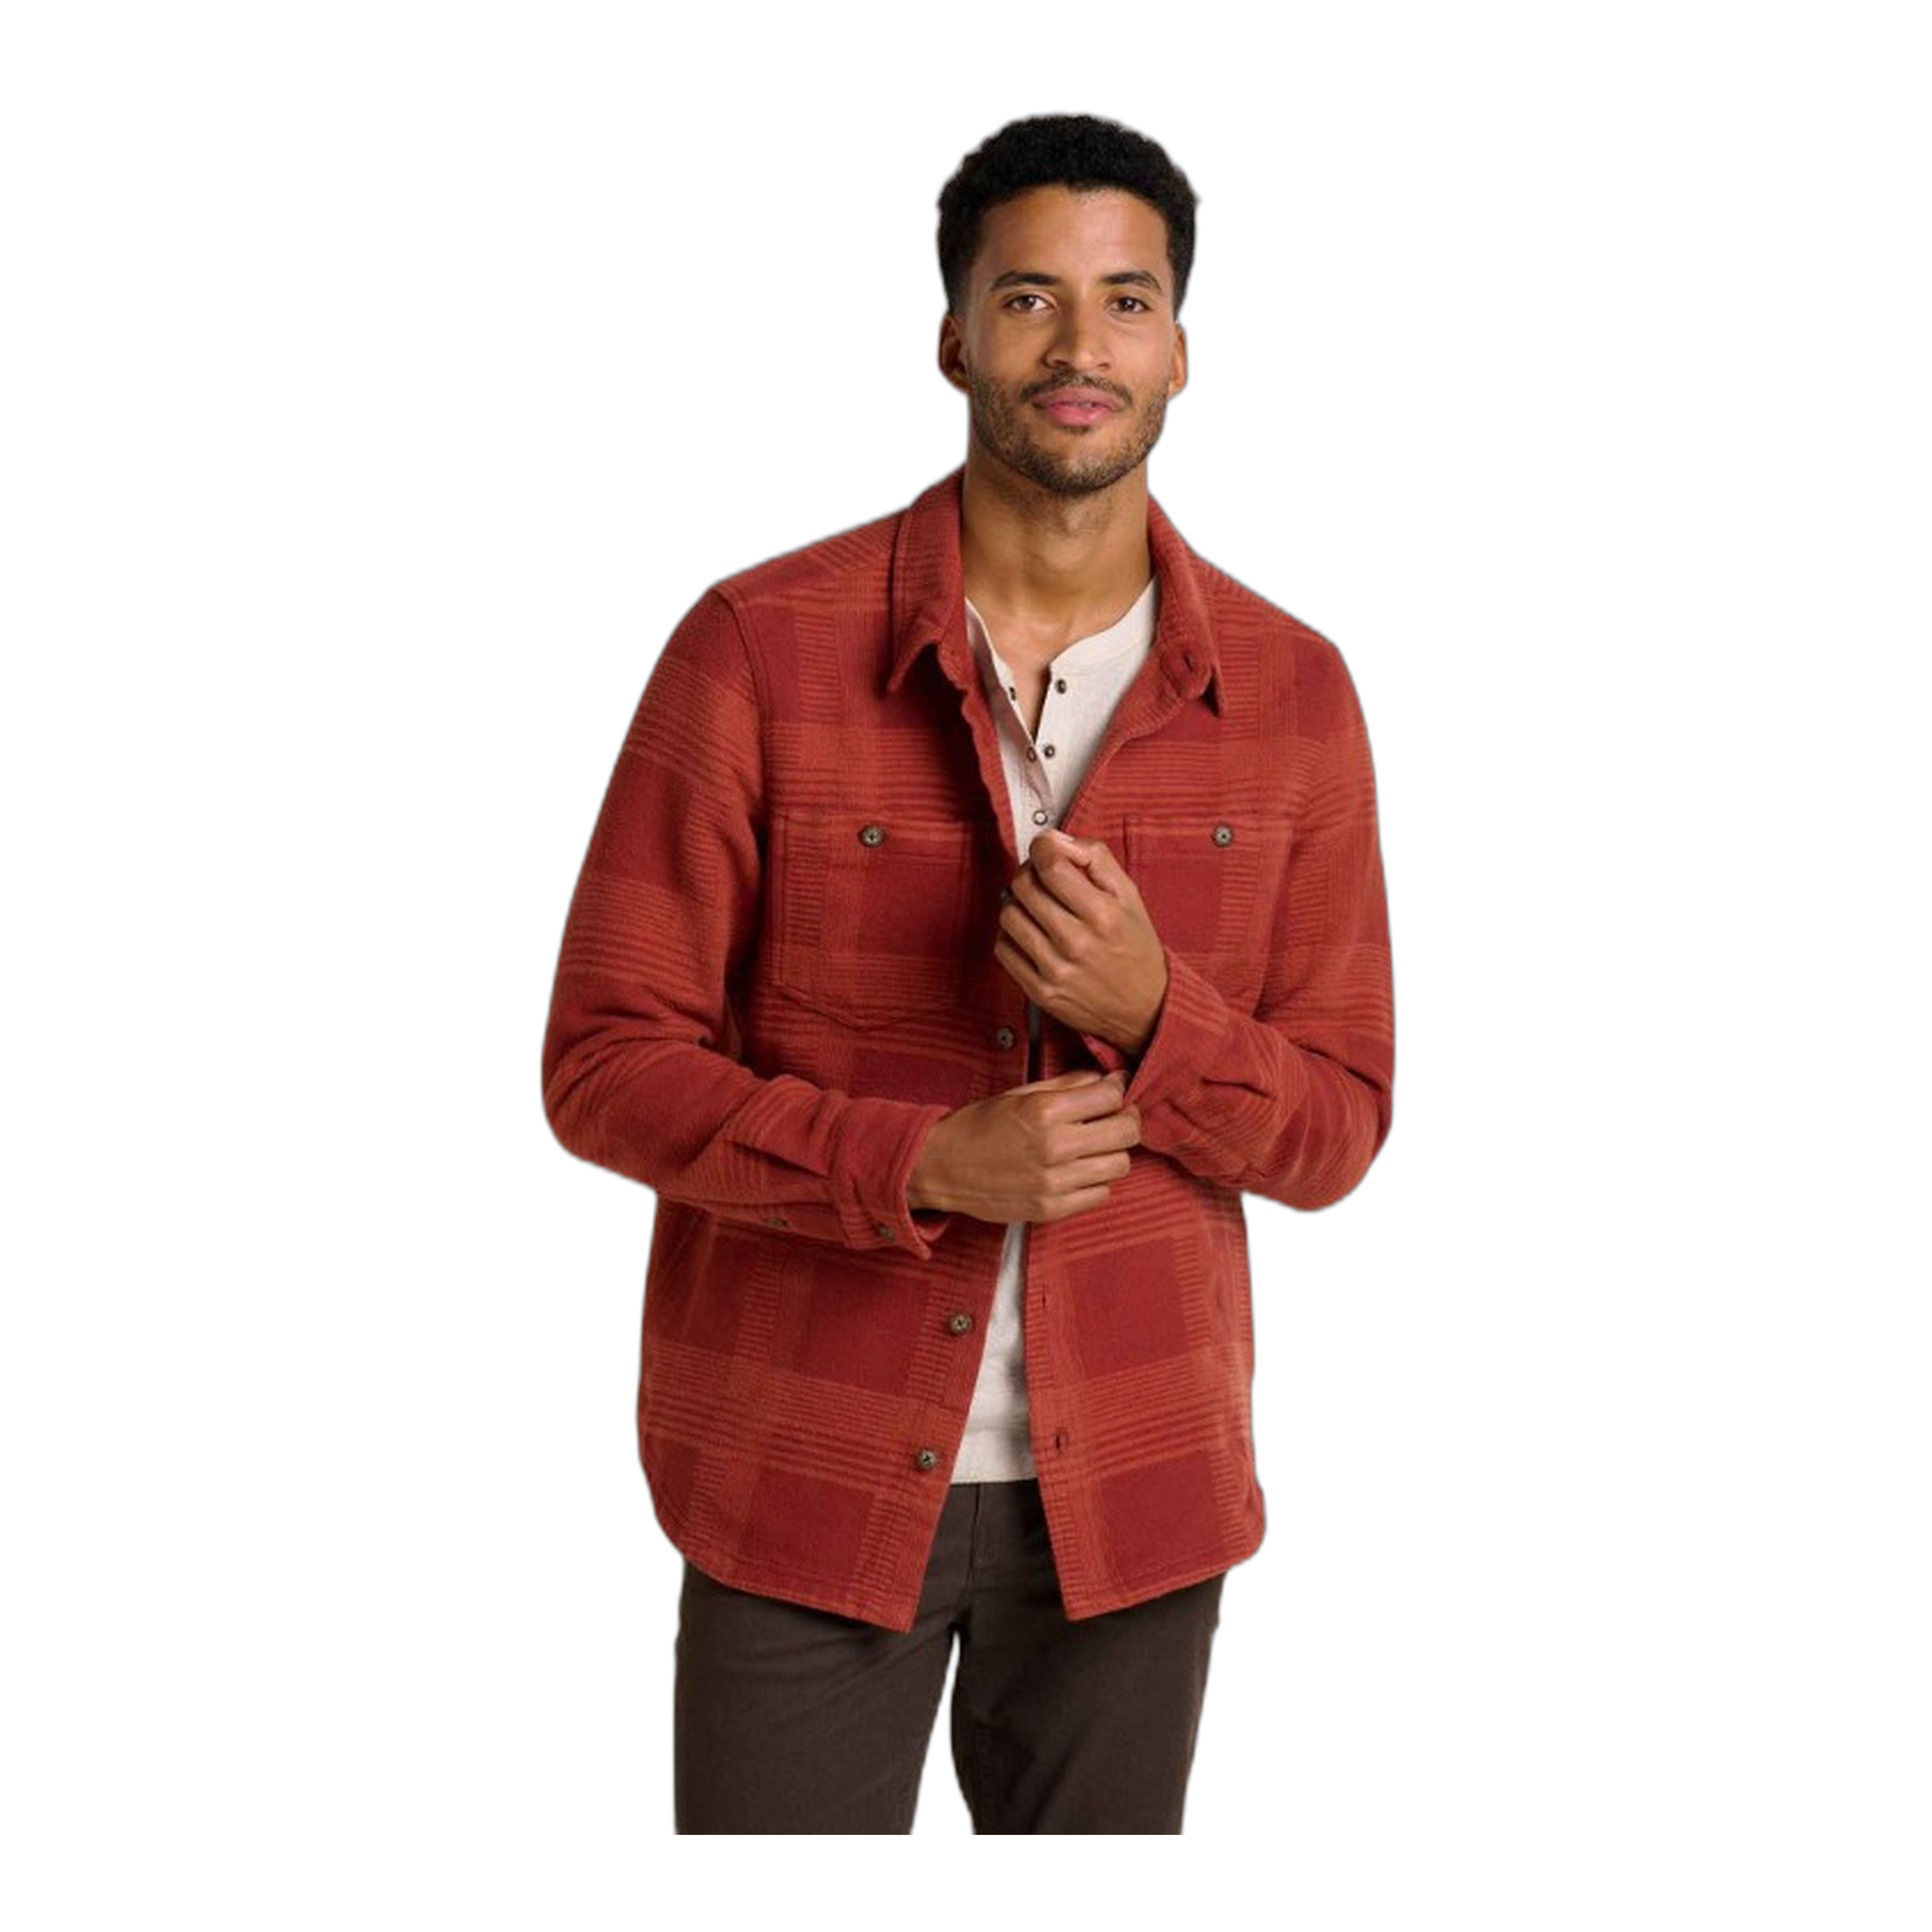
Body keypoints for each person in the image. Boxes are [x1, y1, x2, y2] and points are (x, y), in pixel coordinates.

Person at [541, 110, 1394, 1835]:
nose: (1080, 346)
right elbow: (601, 1066)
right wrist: (920, 1161)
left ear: (1179, 352)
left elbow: (1338, 1132)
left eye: (1126, 300)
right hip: (797, 1478)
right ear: (953, 341)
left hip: (1140, 1500)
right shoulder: (754, 648)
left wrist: (1158, 1019)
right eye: (1028, 298)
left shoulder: (1297, 693)